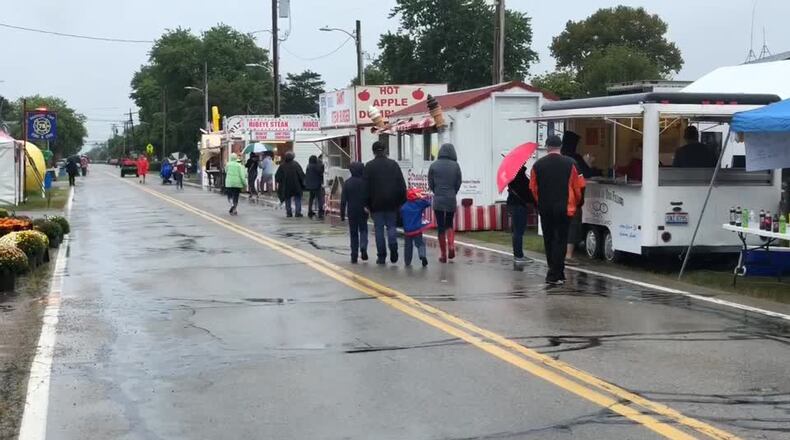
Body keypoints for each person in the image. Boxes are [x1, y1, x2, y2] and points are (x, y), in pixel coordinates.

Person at [529, 135, 586, 285]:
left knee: (549, 239)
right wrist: (578, 202)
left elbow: (533, 188)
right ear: (560, 147)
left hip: (545, 207)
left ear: (547, 147)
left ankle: (556, 272)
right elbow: (579, 186)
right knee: (561, 239)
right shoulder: (571, 163)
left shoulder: (537, 165)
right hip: (565, 207)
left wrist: (539, 203)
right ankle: (555, 273)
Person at [363, 141, 407, 264]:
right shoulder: (393, 165)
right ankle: (393, 249)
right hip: (392, 203)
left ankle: (381, 256)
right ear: (385, 150)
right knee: (391, 227)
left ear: (373, 152)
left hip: (376, 204)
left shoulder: (369, 166)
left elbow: (365, 187)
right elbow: (401, 185)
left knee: (379, 230)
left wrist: (366, 204)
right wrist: (401, 202)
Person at [561, 131, 595, 264]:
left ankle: (558, 252)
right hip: (571, 200)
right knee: (572, 227)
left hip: (556, 200)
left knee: (560, 227)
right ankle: (569, 255)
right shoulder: (574, 160)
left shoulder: (557, 159)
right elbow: (584, 177)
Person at [428, 143, 462, 263]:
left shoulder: (434, 165)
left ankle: (443, 254)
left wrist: (436, 191)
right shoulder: (456, 166)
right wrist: (454, 192)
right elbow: (459, 181)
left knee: (440, 226)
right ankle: (451, 246)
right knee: (449, 224)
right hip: (451, 198)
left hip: (438, 199)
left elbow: (430, 183)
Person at [340, 162, 368, 263]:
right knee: (363, 230)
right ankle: (363, 246)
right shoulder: (365, 182)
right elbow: (368, 196)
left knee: (353, 233)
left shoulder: (347, 183)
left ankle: (354, 255)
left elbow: (343, 200)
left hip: (352, 210)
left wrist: (342, 214)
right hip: (363, 210)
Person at [507, 164, 534, 263]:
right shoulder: (520, 176)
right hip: (519, 205)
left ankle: (518, 254)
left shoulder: (512, 175)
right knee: (519, 231)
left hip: (513, 204)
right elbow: (526, 192)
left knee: (516, 231)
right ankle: (518, 256)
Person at [401, 188, 432, 267]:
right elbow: (428, 203)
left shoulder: (404, 207)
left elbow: (401, 217)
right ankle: (422, 255)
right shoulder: (419, 204)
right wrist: (422, 197)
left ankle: (407, 262)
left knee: (408, 246)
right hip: (417, 229)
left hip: (407, 231)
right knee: (420, 243)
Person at [275, 151, 305, 218]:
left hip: (286, 186)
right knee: (297, 198)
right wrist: (303, 183)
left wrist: (280, 183)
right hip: (296, 185)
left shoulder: (282, 165)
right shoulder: (296, 164)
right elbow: (301, 174)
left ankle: (289, 213)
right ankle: (298, 212)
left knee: (287, 199)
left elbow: (277, 176)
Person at [305, 155, 325, 219]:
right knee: (320, 199)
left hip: (310, 186)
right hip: (317, 185)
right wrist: (322, 166)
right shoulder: (316, 166)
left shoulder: (308, 166)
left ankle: (310, 211)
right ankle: (320, 212)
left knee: (311, 199)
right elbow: (320, 172)